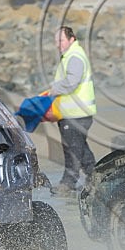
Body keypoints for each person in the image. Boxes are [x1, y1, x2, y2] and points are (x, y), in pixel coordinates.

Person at [48, 26, 96, 197]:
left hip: (76, 114)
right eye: (56, 41)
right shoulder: (70, 55)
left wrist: (54, 88)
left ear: (71, 39)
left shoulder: (75, 56)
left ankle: (67, 184)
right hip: (74, 113)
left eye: (61, 40)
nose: (58, 44)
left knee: (73, 151)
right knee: (81, 150)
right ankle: (96, 178)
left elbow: (72, 82)